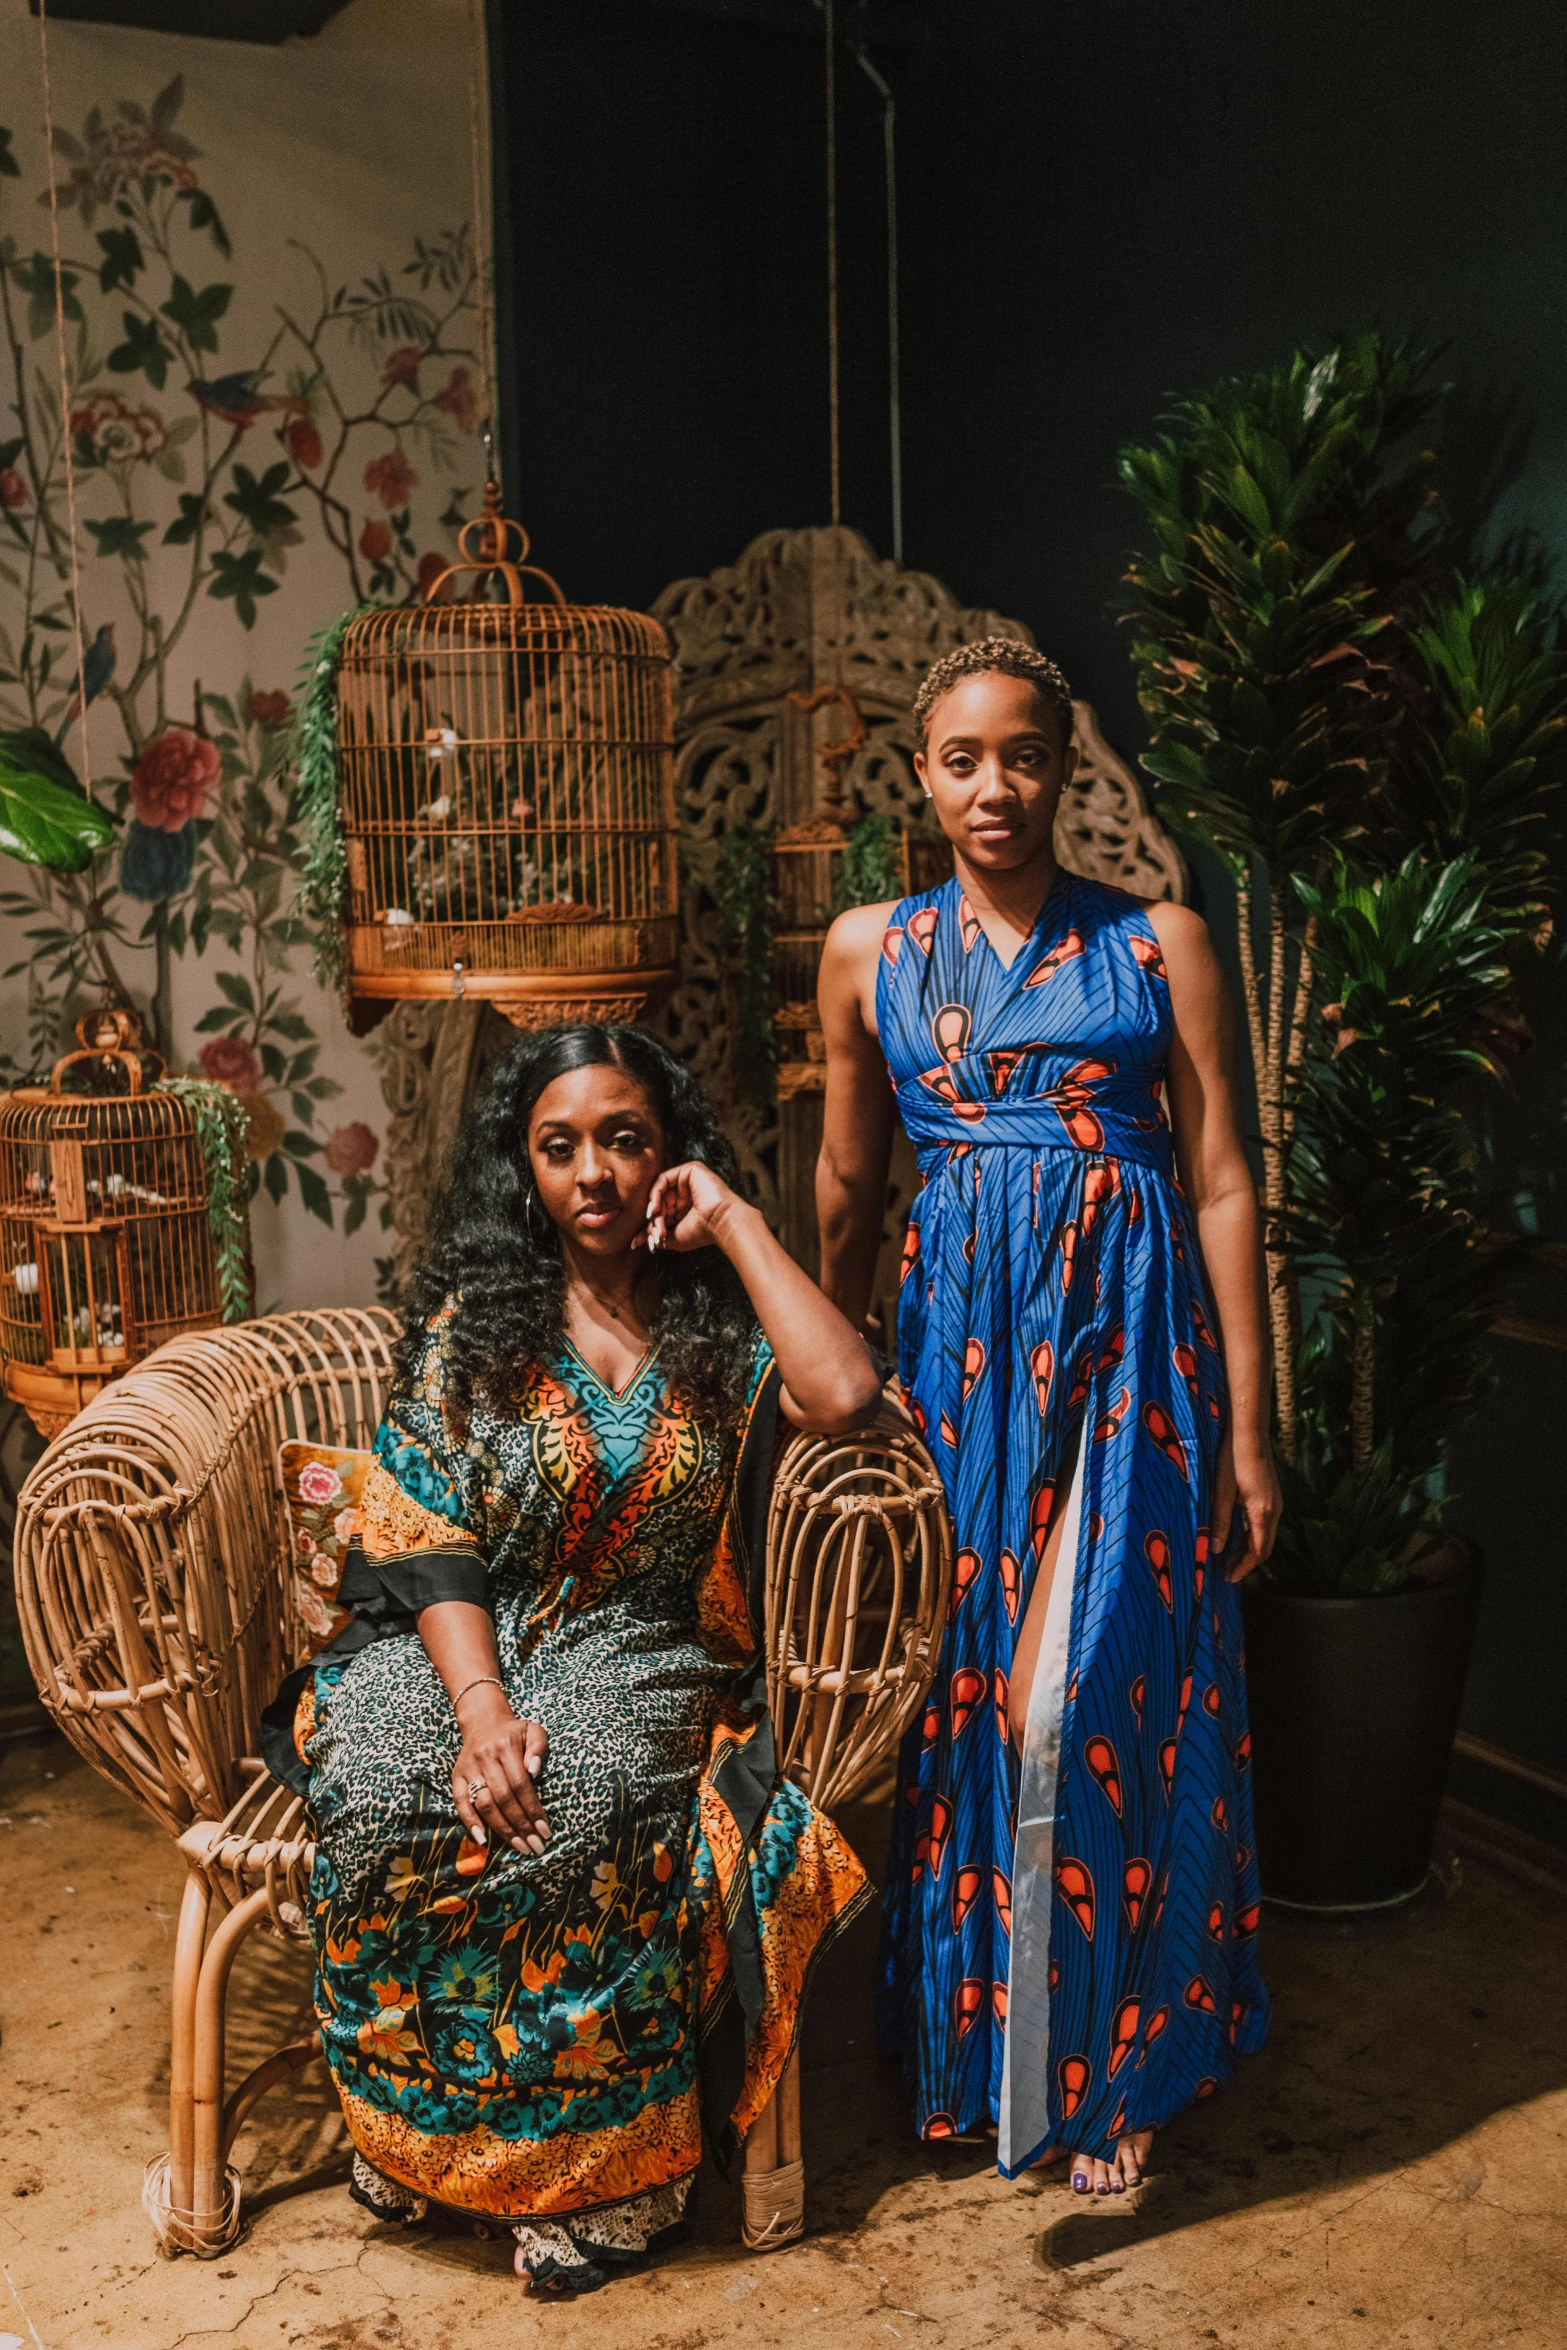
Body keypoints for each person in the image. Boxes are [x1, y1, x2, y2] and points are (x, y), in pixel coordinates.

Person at [263, 1023, 882, 2291]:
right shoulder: (475, 1321)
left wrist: (737, 1222)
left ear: (671, 1152)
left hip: (638, 1645)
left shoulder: (721, 1324)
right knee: (385, 1787)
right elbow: (425, 1530)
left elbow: (846, 1391)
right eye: (560, 1148)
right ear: (524, 1171)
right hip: (458, 1638)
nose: (592, 1171)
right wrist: (481, 1708)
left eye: (625, 1139)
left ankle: (606, 2180)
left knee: (577, 1809)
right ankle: (413, 2137)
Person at [815, 638, 1279, 2196]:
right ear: (920, 774)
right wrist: (831, 1369)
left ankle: (1118, 2060)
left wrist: (1248, 1428)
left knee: (1094, 1693)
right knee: (966, 1696)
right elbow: (844, 1178)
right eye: (960, 758)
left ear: (1062, 766)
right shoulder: (868, 949)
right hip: (952, 1366)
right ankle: (982, 2055)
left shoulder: (1159, 945)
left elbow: (1221, 1182)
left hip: (1133, 1353)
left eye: (1021, 754)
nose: (991, 785)